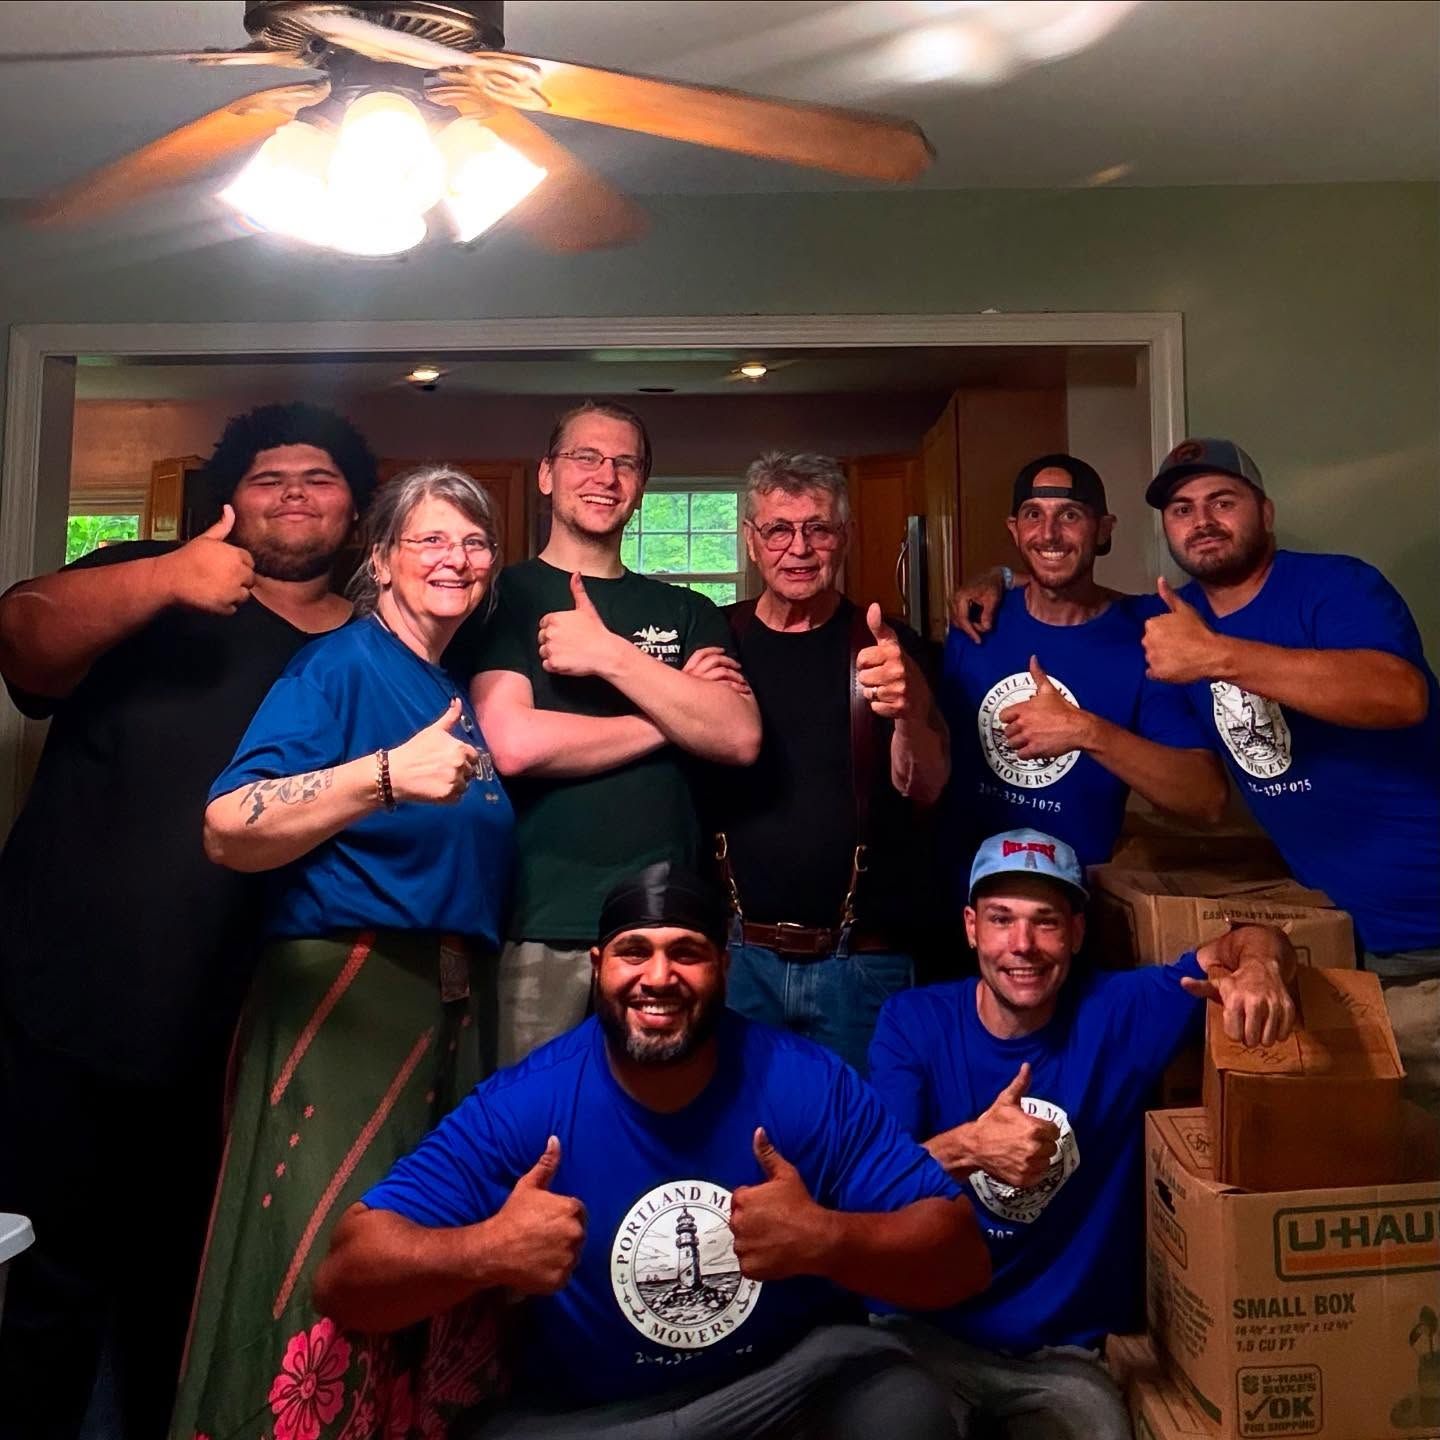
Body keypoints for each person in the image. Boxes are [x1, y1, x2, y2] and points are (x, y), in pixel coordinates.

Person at [315, 862, 991, 1440]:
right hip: (598, 1417)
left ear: (725, 965)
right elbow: (345, 1277)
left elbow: (960, 1259)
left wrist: (827, 1239)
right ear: (598, 966)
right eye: (634, 951)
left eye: (687, 953)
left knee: (901, 1400)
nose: (659, 977)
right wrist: (486, 1251)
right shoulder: (527, 1104)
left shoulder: (805, 1083)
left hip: (775, 1389)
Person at [0, 402, 372, 1440]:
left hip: (239, 1028)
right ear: (229, 501)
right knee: (46, 1280)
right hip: (57, 996)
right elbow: (23, 640)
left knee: (189, 1292)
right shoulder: (147, 579)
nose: (294, 493)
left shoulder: (373, 650)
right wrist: (169, 579)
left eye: (320, 478)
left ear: (354, 514)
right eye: (269, 477)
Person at [170, 465, 516, 1440]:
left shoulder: (448, 686)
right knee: (332, 1256)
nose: (456, 558)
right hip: (348, 1004)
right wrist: (383, 776)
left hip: (444, 1010)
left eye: (474, 542)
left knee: (419, 1262)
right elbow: (228, 824)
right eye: (432, 540)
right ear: (383, 562)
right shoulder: (341, 666)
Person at [869, 828, 1297, 1439]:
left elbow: (1248, 940)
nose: (1022, 945)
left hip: (1060, 1356)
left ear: (1075, 931)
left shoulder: (1118, 1012)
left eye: (1045, 922)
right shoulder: (912, 1023)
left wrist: (1256, 967)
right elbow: (874, 1190)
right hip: (924, 1333)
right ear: (971, 928)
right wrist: (969, 1147)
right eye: (1001, 919)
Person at [1136, 437, 1440, 1117]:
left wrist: (1218, 655)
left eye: (1223, 501)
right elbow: (1203, 797)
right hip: (1349, 947)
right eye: (1182, 509)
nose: (1202, 519)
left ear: (1265, 512)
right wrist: (995, 588)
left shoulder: (1336, 585)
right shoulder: (1167, 623)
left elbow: (1401, 694)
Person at [458, 400, 761, 1066]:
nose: (606, 476)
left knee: (662, 1128)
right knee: (535, 1133)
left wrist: (609, 656)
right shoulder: (501, 597)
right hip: (543, 921)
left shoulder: (687, 609)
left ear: (642, 484)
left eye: (626, 462)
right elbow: (513, 742)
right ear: (546, 474)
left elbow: (738, 736)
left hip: (669, 924)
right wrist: (675, 716)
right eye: (586, 457)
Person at [710, 452, 950, 1072]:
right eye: (778, 530)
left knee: (864, 1152)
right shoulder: (716, 640)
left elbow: (924, 786)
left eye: (818, 528)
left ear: (843, 537)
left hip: (863, 965)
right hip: (738, 959)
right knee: (742, 1146)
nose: (799, 548)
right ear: (751, 539)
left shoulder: (889, 645)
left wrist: (910, 709)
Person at [939, 454, 1225, 881]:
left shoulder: (1145, 637)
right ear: (1014, 530)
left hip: (1074, 905)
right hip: (961, 898)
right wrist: (996, 575)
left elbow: (1206, 799)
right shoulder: (975, 623)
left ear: (1103, 529)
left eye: (1069, 515)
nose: (1049, 534)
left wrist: (1084, 731)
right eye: (1033, 515)